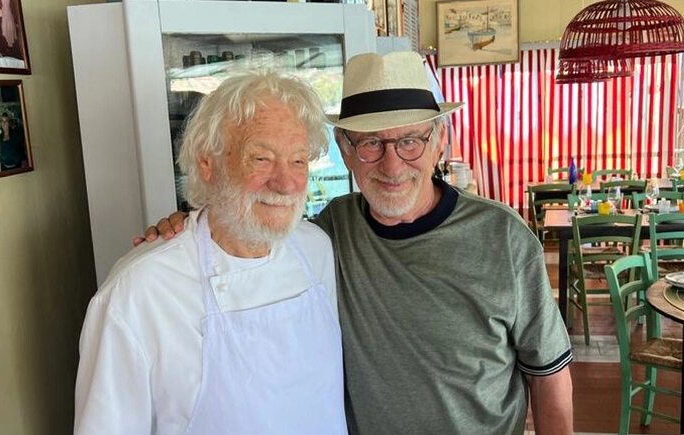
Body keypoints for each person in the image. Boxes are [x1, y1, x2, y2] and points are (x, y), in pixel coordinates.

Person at [139, 51, 574, 435]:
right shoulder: (327, 233)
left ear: (440, 141)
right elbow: (252, 224)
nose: (391, 164)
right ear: (345, 151)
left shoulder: (504, 238)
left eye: (410, 140)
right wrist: (193, 222)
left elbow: (549, 374)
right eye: (370, 144)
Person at [75, 73, 347, 434]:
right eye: (261, 158)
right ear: (207, 162)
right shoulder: (138, 293)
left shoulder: (317, 251)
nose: (286, 183)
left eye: (298, 161)